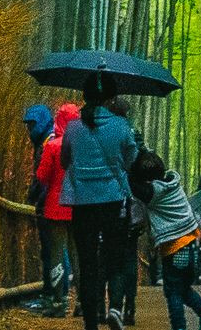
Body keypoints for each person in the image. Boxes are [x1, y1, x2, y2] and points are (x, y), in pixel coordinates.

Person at [52, 83, 144, 330]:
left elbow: (65, 160)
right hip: (113, 201)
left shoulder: (72, 128)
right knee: (115, 259)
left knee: (88, 262)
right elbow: (132, 160)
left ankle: (91, 323)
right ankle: (114, 308)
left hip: (82, 203)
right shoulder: (121, 126)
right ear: (110, 99)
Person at [138, 131, 201, 330]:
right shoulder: (174, 185)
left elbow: (134, 187)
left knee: (172, 292)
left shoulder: (154, 192)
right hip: (191, 246)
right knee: (182, 288)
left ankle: (179, 326)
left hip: (174, 250)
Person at [30, 98, 83, 314]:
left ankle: (59, 303)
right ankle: (82, 303)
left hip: (55, 207)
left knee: (56, 255)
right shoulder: (85, 145)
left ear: (59, 120)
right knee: (78, 254)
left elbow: (42, 176)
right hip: (79, 207)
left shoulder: (52, 146)